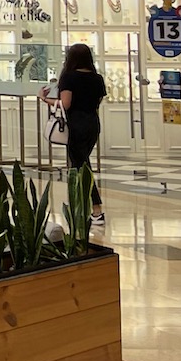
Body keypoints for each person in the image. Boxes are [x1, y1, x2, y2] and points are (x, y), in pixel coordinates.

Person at [54, 41, 108, 226]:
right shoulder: (97, 78)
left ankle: (96, 208)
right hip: (92, 123)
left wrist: (45, 99)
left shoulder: (68, 77)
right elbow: (97, 100)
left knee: (82, 167)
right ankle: (81, 206)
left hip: (75, 124)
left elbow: (65, 104)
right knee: (81, 164)